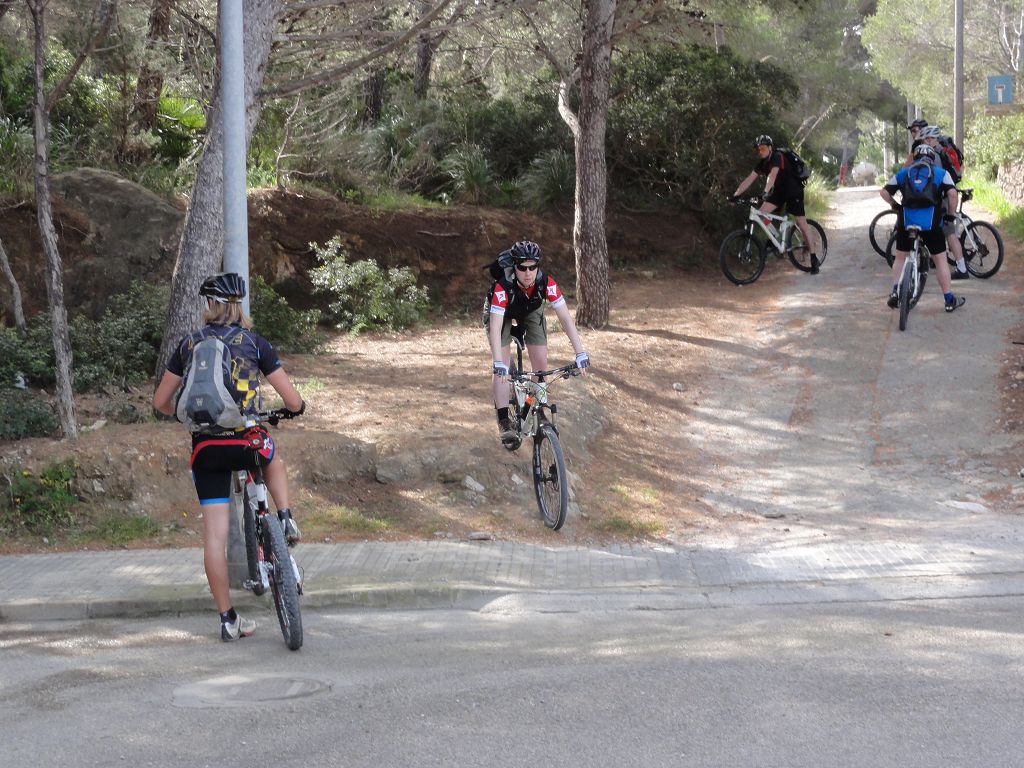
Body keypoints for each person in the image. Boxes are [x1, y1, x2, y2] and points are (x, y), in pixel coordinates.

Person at [153, 272, 306, 642]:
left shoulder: (189, 344)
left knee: (214, 537)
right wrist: (295, 408)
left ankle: (228, 620)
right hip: (247, 441)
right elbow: (291, 401)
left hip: (207, 451)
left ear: (209, 304)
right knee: (270, 454)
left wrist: (186, 415)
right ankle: (285, 517)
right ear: (240, 305)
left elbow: (160, 403)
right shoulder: (254, 343)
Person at [485, 241, 590, 446]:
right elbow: (496, 327)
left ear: (538, 267)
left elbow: (565, 319)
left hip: (530, 309)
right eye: (522, 267)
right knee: (502, 366)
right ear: (514, 267)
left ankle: (535, 407)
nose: (528, 273)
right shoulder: (502, 288)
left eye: (532, 267)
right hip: (501, 314)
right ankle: (504, 421)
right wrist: (498, 362)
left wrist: (580, 353)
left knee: (541, 363)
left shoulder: (546, 283)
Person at [879, 145, 965, 313]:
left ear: (915, 158)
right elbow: (953, 195)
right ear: (932, 158)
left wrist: (895, 206)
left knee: (900, 258)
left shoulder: (904, 173)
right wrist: (949, 215)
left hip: (907, 222)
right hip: (932, 224)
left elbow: (884, 192)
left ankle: (895, 291)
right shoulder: (941, 173)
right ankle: (949, 300)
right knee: (940, 260)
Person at [731, 134, 820, 274]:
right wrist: (735, 195)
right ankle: (774, 237)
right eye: (758, 149)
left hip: (793, 191)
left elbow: (772, 176)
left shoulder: (777, 156)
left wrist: (765, 192)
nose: (760, 151)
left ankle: (814, 258)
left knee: (801, 223)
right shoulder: (762, 163)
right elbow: (749, 179)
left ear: (770, 148)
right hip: (779, 192)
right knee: (761, 214)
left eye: (763, 148)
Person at [917, 125, 970, 280]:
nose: (923, 143)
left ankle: (962, 268)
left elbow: (936, 179)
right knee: (942, 231)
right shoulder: (941, 151)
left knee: (949, 232)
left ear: (929, 139)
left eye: (924, 140)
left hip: (944, 198)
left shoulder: (935, 155)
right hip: (946, 195)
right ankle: (939, 258)